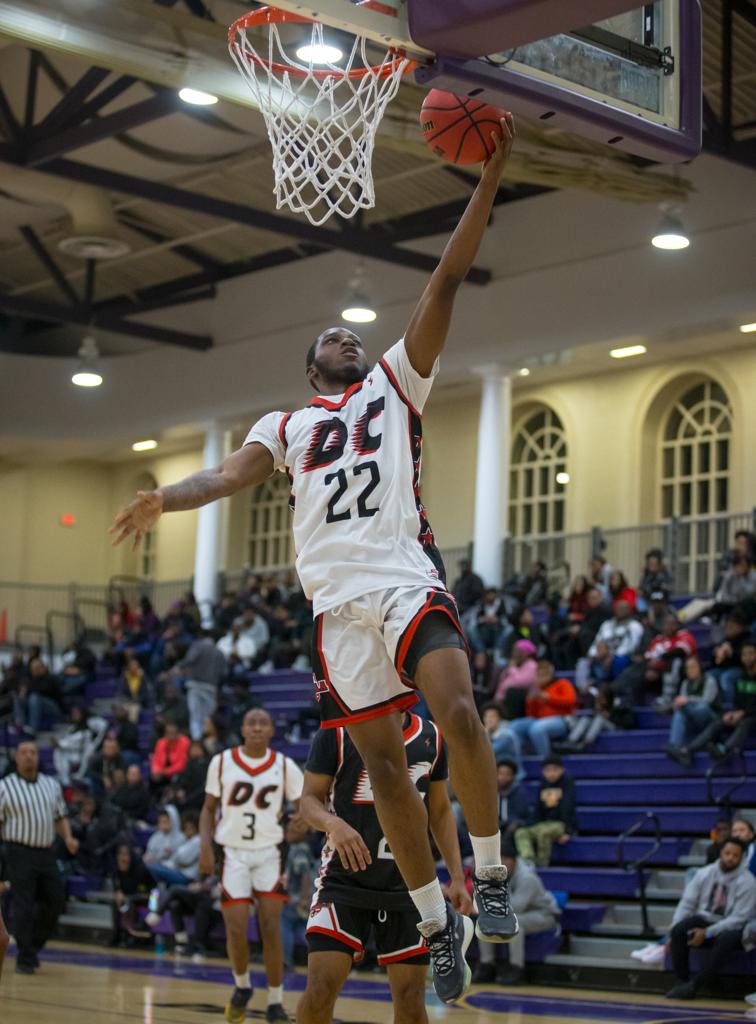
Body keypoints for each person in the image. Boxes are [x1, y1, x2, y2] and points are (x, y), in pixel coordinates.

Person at [111, 114, 519, 1005]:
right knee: (381, 772)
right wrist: (165, 499)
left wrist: (487, 182)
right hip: (336, 611)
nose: (348, 336)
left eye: (353, 332)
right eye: (333, 335)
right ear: (310, 365)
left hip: (403, 577)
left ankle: (488, 880)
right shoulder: (286, 425)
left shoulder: (396, 383)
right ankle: (437, 924)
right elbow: (228, 472)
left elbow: (446, 279)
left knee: (457, 711)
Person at [297, 710, 473, 1024]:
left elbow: (441, 810)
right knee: (321, 986)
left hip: (411, 885)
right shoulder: (337, 731)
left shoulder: (432, 736)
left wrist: (457, 876)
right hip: (344, 878)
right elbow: (309, 800)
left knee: (410, 999)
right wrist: (332, 823)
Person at [200, 708, 305, 1023]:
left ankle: (275, 1002)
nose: (257, 728)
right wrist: (205, 847)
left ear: (272, 730)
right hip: (232, 853)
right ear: (243, 729)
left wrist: (300, 825)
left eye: (263, 723)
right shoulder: (221, 762)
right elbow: (207, 809)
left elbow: (306, 808)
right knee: (235, 928)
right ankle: (242, 985)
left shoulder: (286, 767)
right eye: (251, 723)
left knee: (271, 927)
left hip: (270, 854)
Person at [0, 740, 79, 973]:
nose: (29, 756)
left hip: (46, 852)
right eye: (24, 752)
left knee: (56, 901)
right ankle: (25, 958)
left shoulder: (51, 785)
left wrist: (68, 838)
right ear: (16, 758)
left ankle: (32, 946)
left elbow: (60, 816)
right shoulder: (5, 786)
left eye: (33, 752)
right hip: (17, 851)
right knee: (23, 903)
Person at [665, 837, 756, 999]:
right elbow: (687, 902)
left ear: (742, 858)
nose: (730, 858)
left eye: (735, 856)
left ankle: (695, 985)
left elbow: (738, 919)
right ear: (721, 852)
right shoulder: (704, 873)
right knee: (679, 930)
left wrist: (707, 933)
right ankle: (682, 980)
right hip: (705, 919)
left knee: (726, 940)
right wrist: (674, 926)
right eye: (727, 853)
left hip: (732, 927)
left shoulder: (749, 882)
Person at [474, 838, 559, 984]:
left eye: (506, 858)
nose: (502, 862)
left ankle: (517, 969)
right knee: (485, 920)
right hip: (519, 912)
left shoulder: (527, 878)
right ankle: (487, 965)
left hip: (544, 915)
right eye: (500, 859)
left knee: (515, 923)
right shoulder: (498, 873)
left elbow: (516, 906)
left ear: (514, 860)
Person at [667, 639, 756, 767]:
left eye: (751, 653)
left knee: (746, 722)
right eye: (744, 654)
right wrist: (733, 712)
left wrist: (743, 713)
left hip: (750, 716)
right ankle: (687, 749)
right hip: (741, 714)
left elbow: (708, 701)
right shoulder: (741, 677)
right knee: (720, 721)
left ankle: (725, 749)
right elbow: (738, 701)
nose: (747, 657)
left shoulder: (709, 680)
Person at [514, 756, 576, 867]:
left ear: (562, 770)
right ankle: (528, 861)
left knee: (543, 833)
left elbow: (569, 808)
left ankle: (542, 864)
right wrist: (531, 824)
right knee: (521, 833)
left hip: (559, 824)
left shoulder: (567, 784)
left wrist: (568, 831)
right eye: (547, 770)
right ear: (543, 772)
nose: (551, 773)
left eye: (555, 769)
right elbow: (538, 808)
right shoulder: (543, 785)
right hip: (543, 824)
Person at [508, 661, 577, 758]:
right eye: (539, 674)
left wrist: (549, 698)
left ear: (551, 674)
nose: (541, 677)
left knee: (537, 729)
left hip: (561, 719)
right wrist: (531, 701)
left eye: (544, 674)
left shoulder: (562, 683)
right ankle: (517, 759)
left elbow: (571, 701)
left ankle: (546, 760)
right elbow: (531, 714)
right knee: (513, 727)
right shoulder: (537, 689)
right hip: (538, 719)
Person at [167, 631, 227, 741]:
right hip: (211, 687)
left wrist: (177, 668)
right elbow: (224, 673)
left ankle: (197, 741)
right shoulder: (219, 652)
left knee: (195, 716)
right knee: (208, 717)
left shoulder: (198, 646)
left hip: (196, 685)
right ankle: (208, 741)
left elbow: (190, 659)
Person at [663, 655, 720, 755]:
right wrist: (677, 705)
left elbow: (707, 701)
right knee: (679, 713)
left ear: (699, 667)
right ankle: (675, 746)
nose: (691, 670)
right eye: (688, 668)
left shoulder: (709, 680)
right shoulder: (685, 683)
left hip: (711, 718)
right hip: (693, 718)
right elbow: (682, 701)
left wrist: (688, 700)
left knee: (702, 707)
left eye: (693, 666)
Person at [280, 817, 315, 971]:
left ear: (303, 834)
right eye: (287, 831)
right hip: (299, 899)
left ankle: (285, 959)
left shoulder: (299, 849)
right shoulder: (299, 848)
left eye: (292, 831)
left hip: (295, 899)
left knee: (285, 925)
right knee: (303, 930)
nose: (287, 834)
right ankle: (321, 958)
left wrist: (303, 897)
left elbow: (305, 875)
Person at [495, 758, 531, 837]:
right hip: (496, 826)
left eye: (507, 774)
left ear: (513, 776)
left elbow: (523, 816)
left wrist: (515, 823)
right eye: (500, 773)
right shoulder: (491, 792)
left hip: (512, 826)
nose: (503, 777)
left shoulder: (519, 792)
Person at [151, 721, 191, 789]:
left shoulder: (184, 742)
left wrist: (164, 772)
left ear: (178, 734)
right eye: (168, 733)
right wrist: (156, 771)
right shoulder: (160, 742)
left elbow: (181, 764)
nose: (170, 735)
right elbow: (155, 760)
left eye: (173, 733)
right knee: (152, 779)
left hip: (177, 773)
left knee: (177, 778)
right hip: (162, 772)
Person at [480, 701, 520, 770]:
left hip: (512, 775)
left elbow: (488, 752)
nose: (489, 719)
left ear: (500, 718)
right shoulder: (490, 732)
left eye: (492, 716)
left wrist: (484, 733)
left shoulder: (506, 735)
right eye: (486, 716)